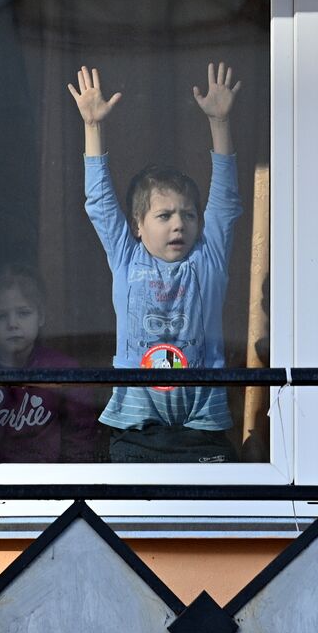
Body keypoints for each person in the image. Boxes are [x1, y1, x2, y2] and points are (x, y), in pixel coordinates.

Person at [69, 62, 242, 462]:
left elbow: (227, 201)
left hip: (202, 430)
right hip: (136, 431)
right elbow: (99, 203)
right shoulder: (127, 257)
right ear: (137, 226)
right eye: (164, 216)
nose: (179, 224)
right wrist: (92, 128)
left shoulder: (208, 258)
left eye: (188, 214)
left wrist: (220, 122)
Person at [0, 265, 105, 463]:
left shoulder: (61, 369)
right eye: (0, 316)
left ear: (41, 317)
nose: (12, 324)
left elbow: (80, 434)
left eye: (23, 313)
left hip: (46, 479)